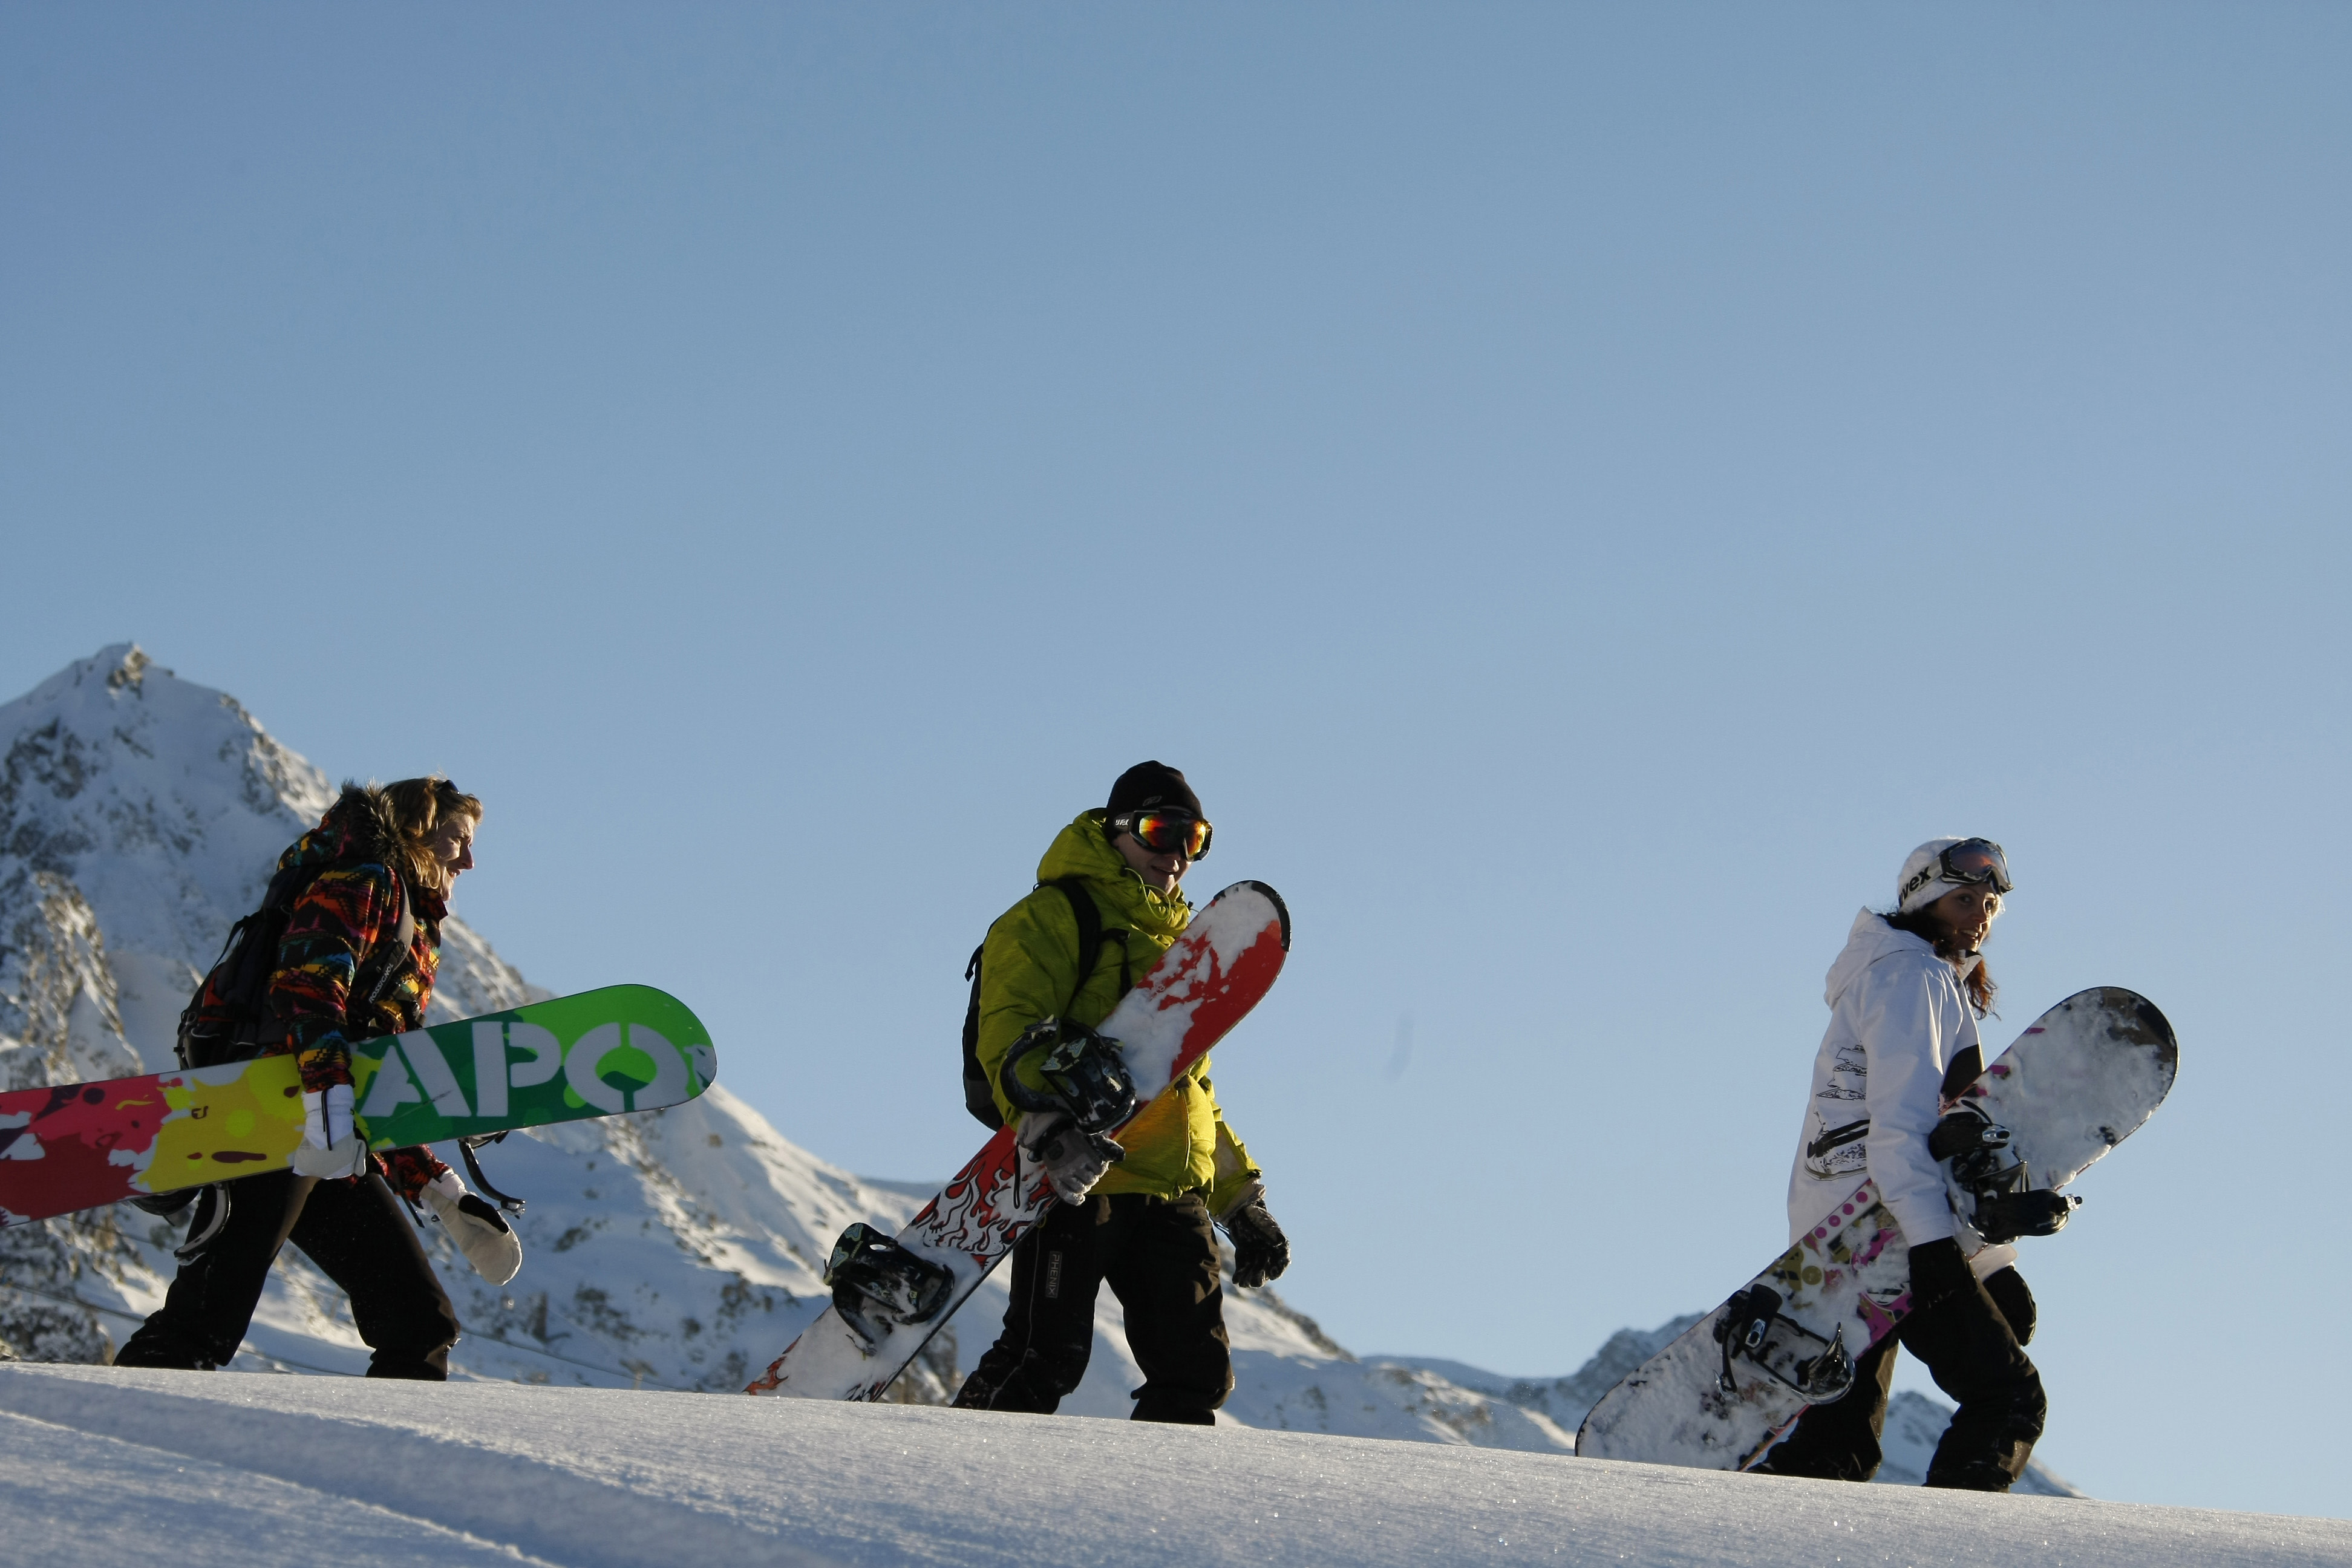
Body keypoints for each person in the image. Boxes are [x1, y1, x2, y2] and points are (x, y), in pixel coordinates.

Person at [116, 777, 518, 1377]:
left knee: (420, 1325)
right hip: (268, 1123)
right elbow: (308, 990)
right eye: (456, 839)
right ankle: (103, 1450)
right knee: (203, 1323)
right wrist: (325, 1105)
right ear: (416, 830)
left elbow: (378, 1073)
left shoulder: (409, 917)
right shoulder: (366, 883)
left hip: (330, 1142)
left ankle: (388, 1467)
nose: (469, 858)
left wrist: (438, 1189)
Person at [952, 762, 1289, 1425]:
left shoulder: (1181, 944)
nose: (1176, 857)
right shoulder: (1052, 917)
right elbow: (1008, 1036)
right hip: (1079, 1182)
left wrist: (1239, 1199)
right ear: (1116, 831)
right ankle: (938, 1483)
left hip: (1168, 1189)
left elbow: (1189, 1093)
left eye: (1194, 841)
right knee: (1042, 1357)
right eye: (1160, 833)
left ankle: (1151, 1520)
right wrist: (1050, 1132)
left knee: (1195, 1376)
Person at [1756, 837, 2048, 1490]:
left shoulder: (1922, 978)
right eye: (1965, 897)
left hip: (1854, 1223)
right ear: (1924, 898)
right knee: (2008, 1400)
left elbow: (1940, 1139)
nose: (1981, 914)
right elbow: (1901, 1128)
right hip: (1886, 1227)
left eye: (1992, 903)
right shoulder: (1911, 979)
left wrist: (1991, 1261)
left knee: (1837, 1448)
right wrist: (1937, 1250)